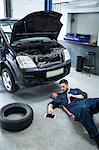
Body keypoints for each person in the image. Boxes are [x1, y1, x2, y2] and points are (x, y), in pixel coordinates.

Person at [46, 79, 99, 149]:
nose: (62, 89)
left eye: (63, 86)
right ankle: (96, 136)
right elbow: (52, 104)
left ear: (67, 85)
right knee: (84, 110)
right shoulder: (60, 96)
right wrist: (49, 108)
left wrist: (73, 96)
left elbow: (84, 95)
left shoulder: (75, 90)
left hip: (84, 101)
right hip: (73, 106)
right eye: (60, 87)